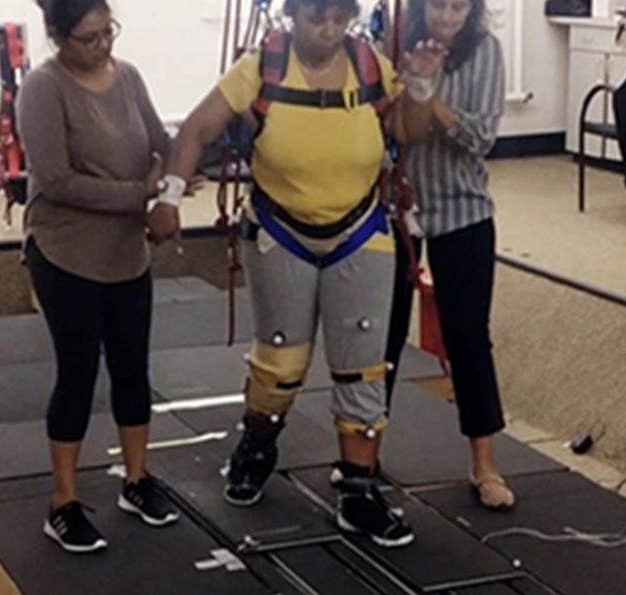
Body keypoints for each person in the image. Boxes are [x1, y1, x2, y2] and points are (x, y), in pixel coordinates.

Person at [155, 0, 443, 548]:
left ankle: (358, 490)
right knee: (281, 362)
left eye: (340, 18)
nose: (329, 30)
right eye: (317, 18)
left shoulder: (369, 64)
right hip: (280, 228)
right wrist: (169, 196)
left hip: (359, 228)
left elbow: (406, 131)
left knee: (363, 367)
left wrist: (423, 87)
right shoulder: (260, 66)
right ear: (293, 15)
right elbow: (196, 129)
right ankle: (258, 444)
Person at [17, 0, 184, 554]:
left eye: (108, 31)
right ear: (59, 37)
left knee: (133, 368)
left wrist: (173, 183)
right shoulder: (43, 90)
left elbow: (160, 143)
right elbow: (58, 180)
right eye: (90, 38)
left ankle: (136, 480)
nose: (103, 45)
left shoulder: (128, 76)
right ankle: (62, 502)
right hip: (65, 252)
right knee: (79, 372)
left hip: (125, 254)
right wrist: (143, 194)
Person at [383, 0, 515, 510]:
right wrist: (409, 82)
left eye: (459, 6)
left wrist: (428, 96)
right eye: (438, 4)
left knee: (467, 336)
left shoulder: (486, 52)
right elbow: (388, 125)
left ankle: (484, 463)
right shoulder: (392, 43)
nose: (446, 17)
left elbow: (481, 138)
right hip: (397, 207)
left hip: (464, 208)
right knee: (384, 334)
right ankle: (362, 456)